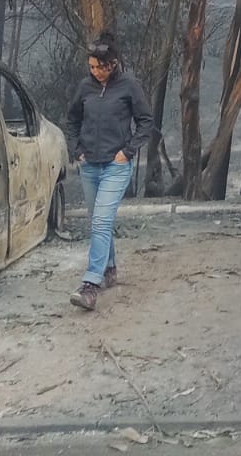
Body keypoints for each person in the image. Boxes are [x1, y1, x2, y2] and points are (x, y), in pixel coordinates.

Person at [64, 30, 153, 311]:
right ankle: (110, 268)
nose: (94, 72)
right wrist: (75, 148)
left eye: (98, 68)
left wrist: (127, 152)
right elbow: (72, 119)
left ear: (112, 64)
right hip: (89, 165)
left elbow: (146, 121)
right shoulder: (85, 87)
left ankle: (90, 285)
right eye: (90, 67)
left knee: (101, 221)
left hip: (116, 166)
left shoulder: (129, 86)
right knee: (98, 221)